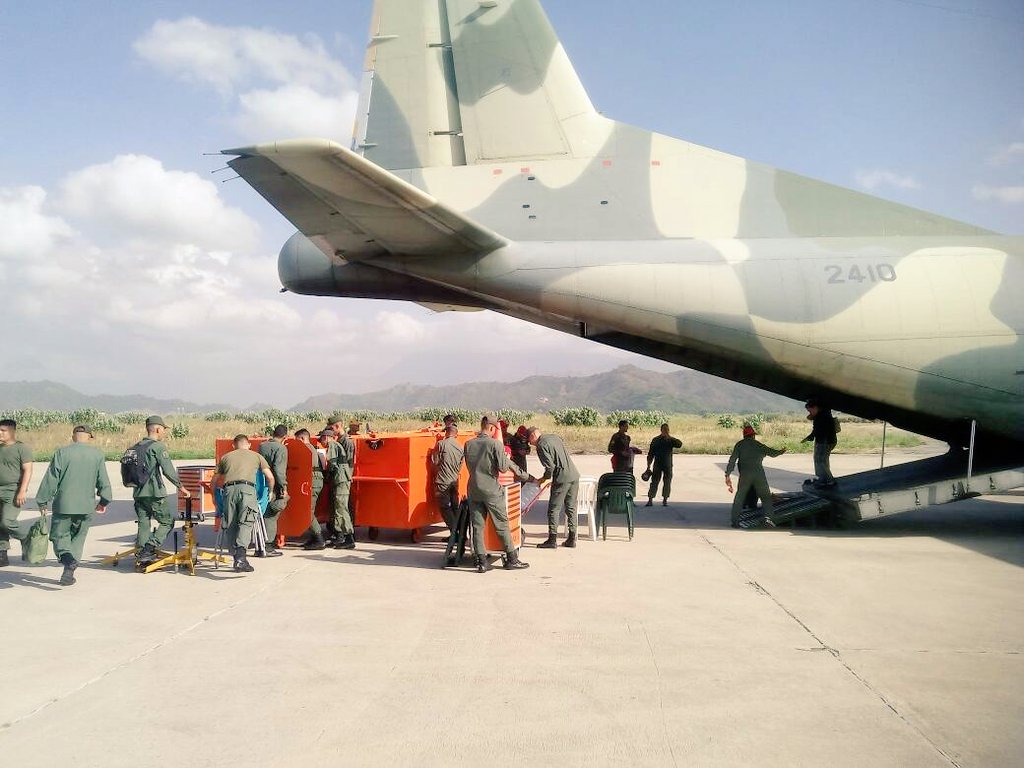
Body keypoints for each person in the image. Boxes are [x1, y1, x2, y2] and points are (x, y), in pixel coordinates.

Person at [34, 426, 112, 586]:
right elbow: (103, 481)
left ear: (73, 436)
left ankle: (67, 559)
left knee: (59, 536)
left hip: (64, 505)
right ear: (90, 437)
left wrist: (42, 500)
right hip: (86, 506)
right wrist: (104, 501)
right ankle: (69, 572)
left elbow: (51, 479)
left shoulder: (62, 453)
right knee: (78, 538)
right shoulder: (97, 455)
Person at [463, 414, 531, 573]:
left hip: (473, 489)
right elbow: (502, 468)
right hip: (492, 490)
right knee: (501, 524)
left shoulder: (468, 444)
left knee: (477, 526)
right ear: (492, 428)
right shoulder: (495, 445)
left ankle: (480, 562)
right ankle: (511, 559)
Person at [132, 416, 190, 567]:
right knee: (167, 522)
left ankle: (141, 554)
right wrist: (182, 487)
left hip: (138, 493)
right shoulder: (157, 447)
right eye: (163, 429)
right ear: (157, 429)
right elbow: (168, 471)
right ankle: (149, 548)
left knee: (143, 523)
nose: (164, 432)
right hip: (154, 493)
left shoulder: (135, 447)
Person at [213, 434, 275, 573]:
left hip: (229, 491)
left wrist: (214, 497)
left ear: (233, 446)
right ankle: (241, 557)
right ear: (249, 445)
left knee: (231, 523)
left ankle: (236, 558)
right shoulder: (256, 456)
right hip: (247, 490)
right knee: (246, 522)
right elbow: (270, 477)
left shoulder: (226, 457)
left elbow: (215, 480)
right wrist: (270, 492)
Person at [527, 426, 580, 548]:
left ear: (533, 436)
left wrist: (544, 479)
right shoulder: (555, 437)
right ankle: (572, 539)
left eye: (530, 441)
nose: (531, 444)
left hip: (561, 478)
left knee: (553, 509)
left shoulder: (541, 445)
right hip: (574, 475)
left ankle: (552, 539)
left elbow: (550, 467)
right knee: (571, 507)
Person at [725, 424, 786, 527]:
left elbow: (732, 460)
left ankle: (735, 521)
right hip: (759, 475)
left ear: (744, 435)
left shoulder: (739, 445)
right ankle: (769, 519)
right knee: (765, 497)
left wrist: (728, 474)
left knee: (739, 497)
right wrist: (781, 451)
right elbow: (773, 453)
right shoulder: (758, 445)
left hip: (745, 475)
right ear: (753, 435)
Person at [0, 418, 33, 567]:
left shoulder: (22, 448)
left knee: (7, 521)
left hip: (12, 490)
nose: (0, 433)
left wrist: (22, 490)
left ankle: (26, 537)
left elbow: (28, 469)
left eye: (3, 431)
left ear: (12, 431)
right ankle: (2, 553)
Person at [257, 424, 289, 557]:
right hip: (274, 485)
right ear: (285, 437)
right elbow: (279, 470)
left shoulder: (262, 446)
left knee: (262, 513)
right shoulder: (281, 448)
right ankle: (268, 545)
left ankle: (259, 543)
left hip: (261, 483)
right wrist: (283, 487)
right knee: (271, 514)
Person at [324, 427, 356, 550]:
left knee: (341, 509)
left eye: (322, 438)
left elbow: (331, 462)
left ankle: (348, 538)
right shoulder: (338, 444)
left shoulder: (332, 445)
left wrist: (327, 473)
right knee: (340, 508)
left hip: (340, 479)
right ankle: (342, 536)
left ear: (327, 437)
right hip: (342, 479)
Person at [295, 428, 327, 550]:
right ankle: (314, 537)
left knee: (307, 512)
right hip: (315, 481)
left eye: (297, 440)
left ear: (303, 438)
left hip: (312, 481)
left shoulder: (305, 449)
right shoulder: (314, 448)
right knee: (309, 510)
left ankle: (319, 539)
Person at [432, 423, 464, 534]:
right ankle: (458, 533)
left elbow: (435, 462)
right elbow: (460, 466)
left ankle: (454, 532)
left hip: (443, 481)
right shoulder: (460, 447)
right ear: (456, 434)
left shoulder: (441, 444)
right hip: (454, 482)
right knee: (455, 507)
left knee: (444, 507)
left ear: (447, 432)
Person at [644, 423, 682, 507]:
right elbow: (650, 454)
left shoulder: (671, 440)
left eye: (667, 429)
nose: (665, 431)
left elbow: (679, 444)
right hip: (657, 464)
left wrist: (670, 437)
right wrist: (648, 466)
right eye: (664, 429)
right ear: (661, 430)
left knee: (667, 482)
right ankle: (650, 499)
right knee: (654, 482)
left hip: (667, 465)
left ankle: (665, 499)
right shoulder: (655, 440)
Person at [802, 400, 838, 487]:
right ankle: (824, 479)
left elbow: (819, 430)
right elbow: (816, 429)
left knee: (820, 461)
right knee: (822, 460)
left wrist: (811, 437)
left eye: (810, 410)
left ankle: (828, 480)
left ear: (815, 407)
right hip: (825, 441)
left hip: (825, 441)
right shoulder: (822, 414)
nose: (810, 412)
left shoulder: (822, 417)